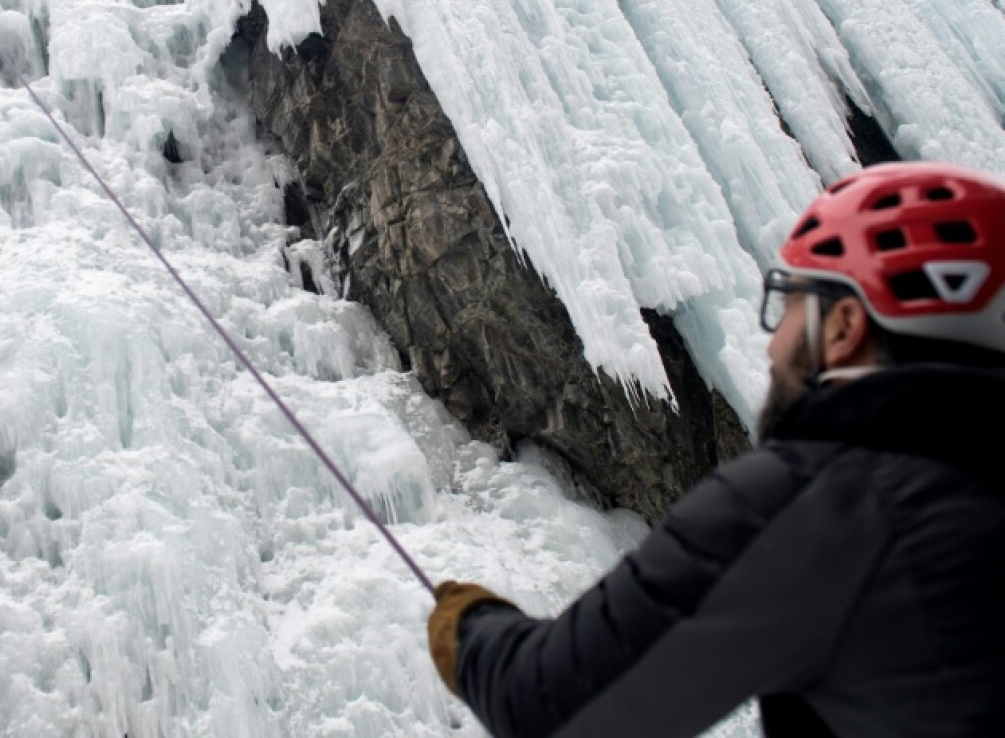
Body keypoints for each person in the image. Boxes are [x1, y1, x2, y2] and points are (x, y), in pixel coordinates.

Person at [427, 160, 1005, 737]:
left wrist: (470, 629)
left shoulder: (830, 503)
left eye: (790, 309)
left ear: (844, 325)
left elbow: (550, 707)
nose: (775, 346)